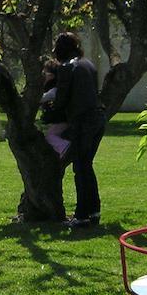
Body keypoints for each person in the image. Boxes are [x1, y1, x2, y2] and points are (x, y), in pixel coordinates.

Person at [52, 32, 106, 228]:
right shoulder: (88, 64)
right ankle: (93, 211)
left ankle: (83, 214)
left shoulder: (67, 67)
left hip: (83, 121)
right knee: (86, 166)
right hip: (98, 118)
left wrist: (49, 110)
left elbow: (62, 100)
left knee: (81, 168)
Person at [40, 59, 72, 161]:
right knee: (50, 135)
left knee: (50, 136)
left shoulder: (54, 90)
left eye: (45, 73)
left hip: (61, 120)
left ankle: (65, 147)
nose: (43, 76)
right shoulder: (57, 88)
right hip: (62, 119)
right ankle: (62, 150)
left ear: (52, 76)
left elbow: (42, 98)